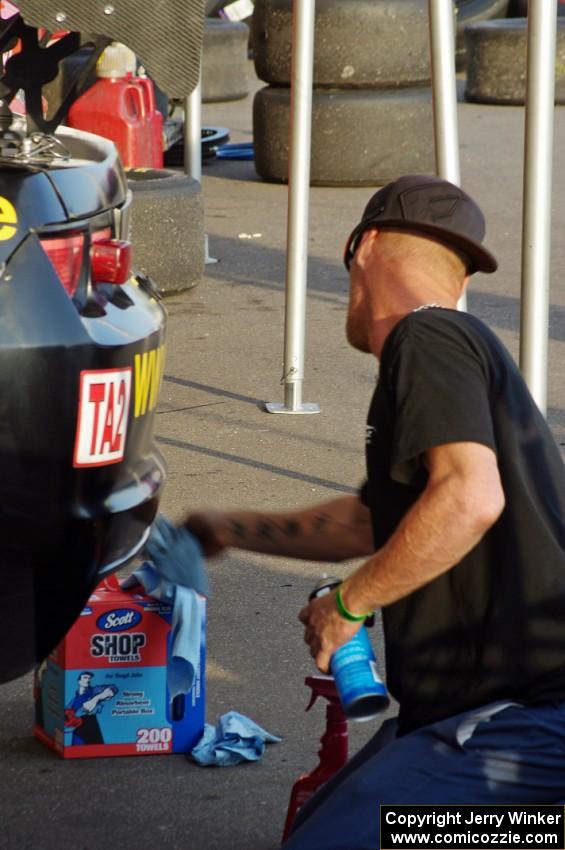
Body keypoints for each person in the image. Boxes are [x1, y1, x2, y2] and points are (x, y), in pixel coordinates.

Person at [186, 175, 565, 849]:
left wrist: (349, 605)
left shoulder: (428, 338)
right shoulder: (456, 353)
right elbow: (371, 523)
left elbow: (468, 498)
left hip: (519, 721)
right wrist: (226, 527)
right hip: (494, 718)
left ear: (362, 246)